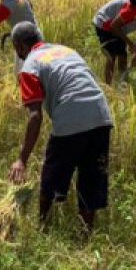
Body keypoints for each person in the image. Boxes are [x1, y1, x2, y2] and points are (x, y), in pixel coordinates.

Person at [9, 22, 113, 234]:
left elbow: (35, 115)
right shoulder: (66, 51)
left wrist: (22, 159)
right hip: (101, 116)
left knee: (52, 178)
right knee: (91, 178)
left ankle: (43, 229)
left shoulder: (29, 66)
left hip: (70, 119)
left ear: (20, 46)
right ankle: (86, 235)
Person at [92, 0, 136, 85]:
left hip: (118, 26)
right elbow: (114, 27)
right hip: (105, 23)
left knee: (122, 55)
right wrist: (131, 44)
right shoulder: (133, 9)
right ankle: (108, 86)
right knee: (111, 56)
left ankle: (122, 82)